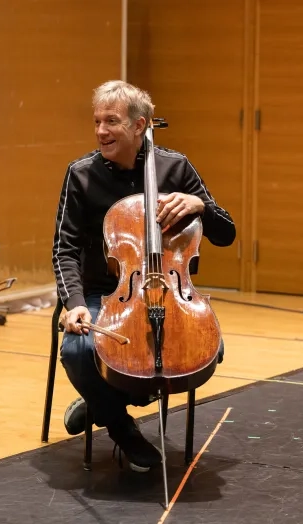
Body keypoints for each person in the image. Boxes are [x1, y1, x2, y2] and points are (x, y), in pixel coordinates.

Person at [52, 80, 236, 472]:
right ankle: (121, 426)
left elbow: (226, 233)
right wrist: (75, 305)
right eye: (97, 121)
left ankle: (101, 399)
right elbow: (63, 249)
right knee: (78, 351)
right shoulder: (81, 174)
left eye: (112, 121)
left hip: (172, 293)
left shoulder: (175, 167)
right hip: (105, 295)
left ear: (140, 126)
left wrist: (199, 205)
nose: (101, 131)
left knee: (199, 350)